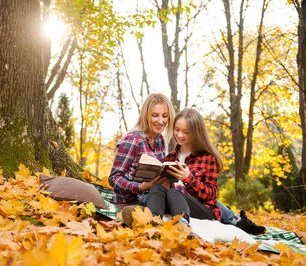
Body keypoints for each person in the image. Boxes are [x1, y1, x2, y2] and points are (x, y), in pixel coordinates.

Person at [108, 96, 265, 234]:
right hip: (138, 196)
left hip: (163, 195)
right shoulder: (132, 140)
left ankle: (235, 220)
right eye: (154, 115)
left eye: (165, 116)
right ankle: (151, 219)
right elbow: (114, 178)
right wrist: (142, 187)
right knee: (167, 192)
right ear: (145, 115)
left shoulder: (160, 141)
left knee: (181, 194)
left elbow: (209, 195)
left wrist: (184, 178)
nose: (160, 121)